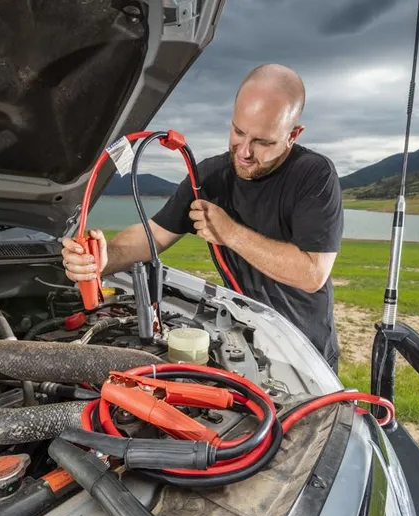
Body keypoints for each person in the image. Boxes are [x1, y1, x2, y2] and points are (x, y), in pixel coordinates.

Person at [61, 63, 344, 373]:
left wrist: (230, 233)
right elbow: (153, 235)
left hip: (305, 351)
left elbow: (312, 273)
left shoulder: (314, 176)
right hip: (245, 341)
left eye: (263, 142)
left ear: (293, 134)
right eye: (238, 132)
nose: (244, 152)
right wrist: (105, 258)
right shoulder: (209, 177)